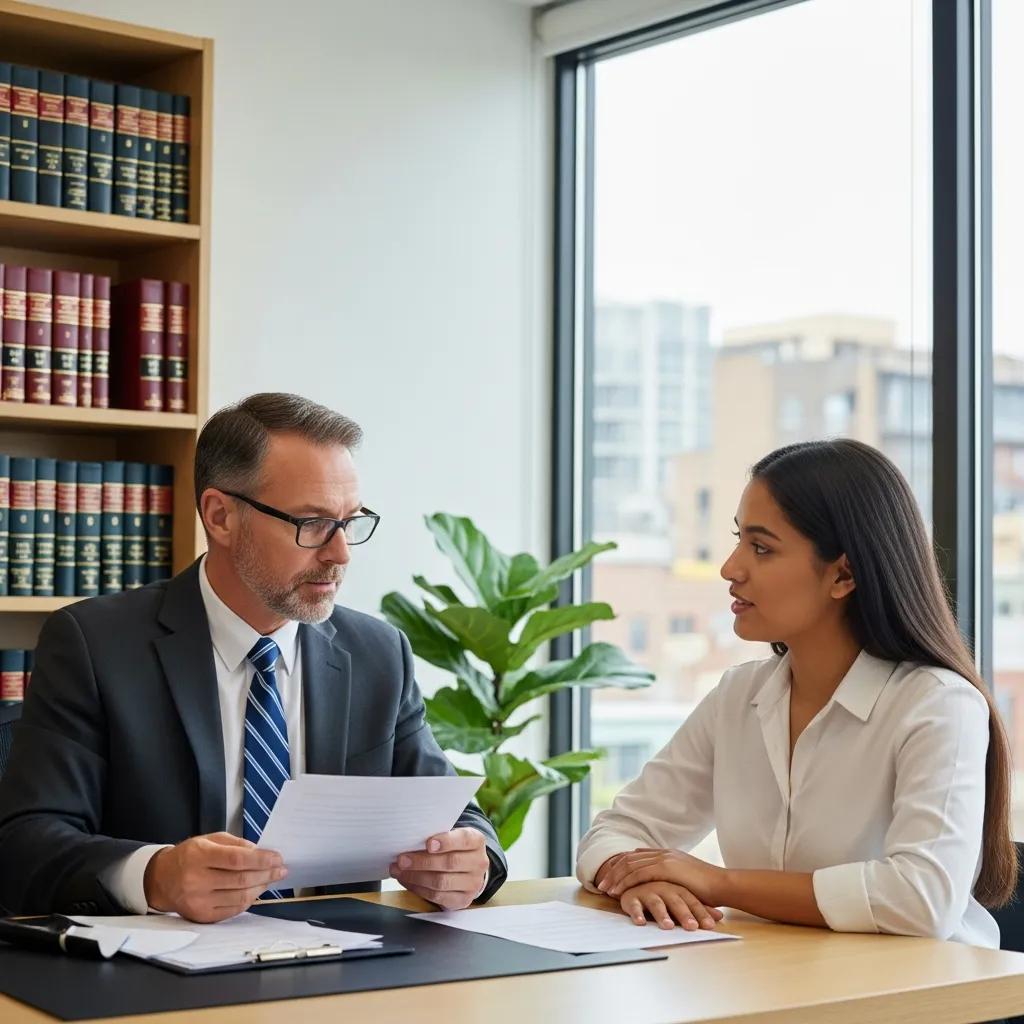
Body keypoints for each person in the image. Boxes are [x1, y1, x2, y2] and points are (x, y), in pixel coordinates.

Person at [0, 393, 507, 922]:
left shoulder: (377, 653)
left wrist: (472, 856)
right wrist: (156, 876)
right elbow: (25, 844)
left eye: (350, 522)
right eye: (311, 524)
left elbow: (452, 811)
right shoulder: (95, 644)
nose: (340, 554)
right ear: (220, 517)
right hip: (160, 979)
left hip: (342, 965)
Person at [576, 439, 1017, 947]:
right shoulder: (738, 695)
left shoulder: (937, 704)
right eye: (739, 539)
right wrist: (643, 879)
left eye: (761, 548)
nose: (730, 568)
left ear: (844, 574)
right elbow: (616, 830)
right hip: (776, 984)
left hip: (922, 1007)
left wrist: (719, 882)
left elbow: (922, 899)